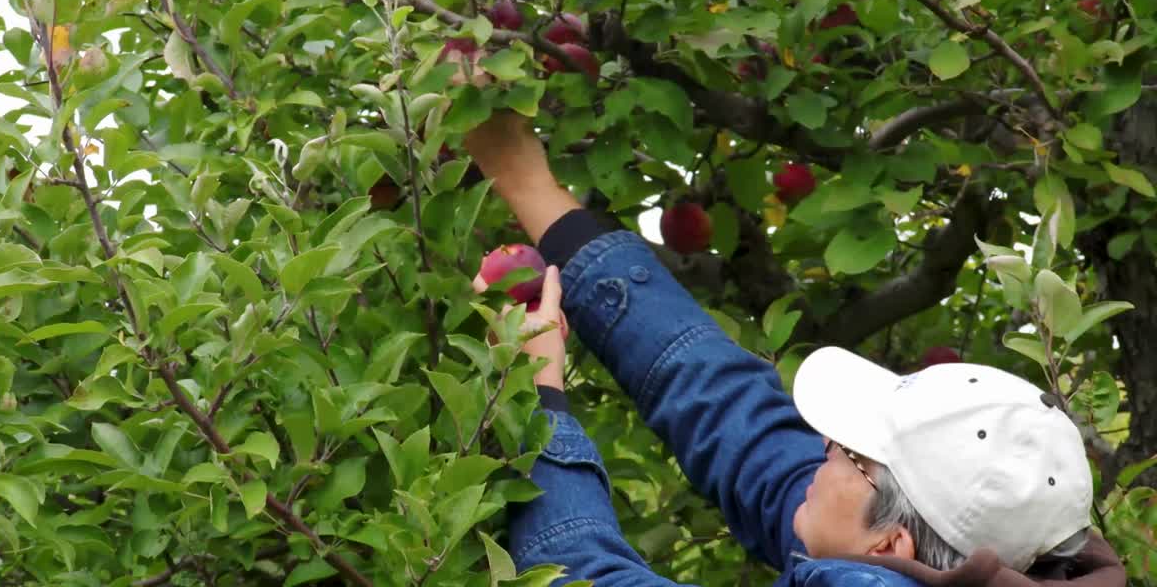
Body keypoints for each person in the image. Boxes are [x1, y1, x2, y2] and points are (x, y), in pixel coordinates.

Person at [464, 111, 1126, 587]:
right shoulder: (944, 557)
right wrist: (528, 184)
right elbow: (736, 426)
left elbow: (581, 577)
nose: (821, 449)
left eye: (845, 453)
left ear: (891, 543)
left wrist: (533, 398)